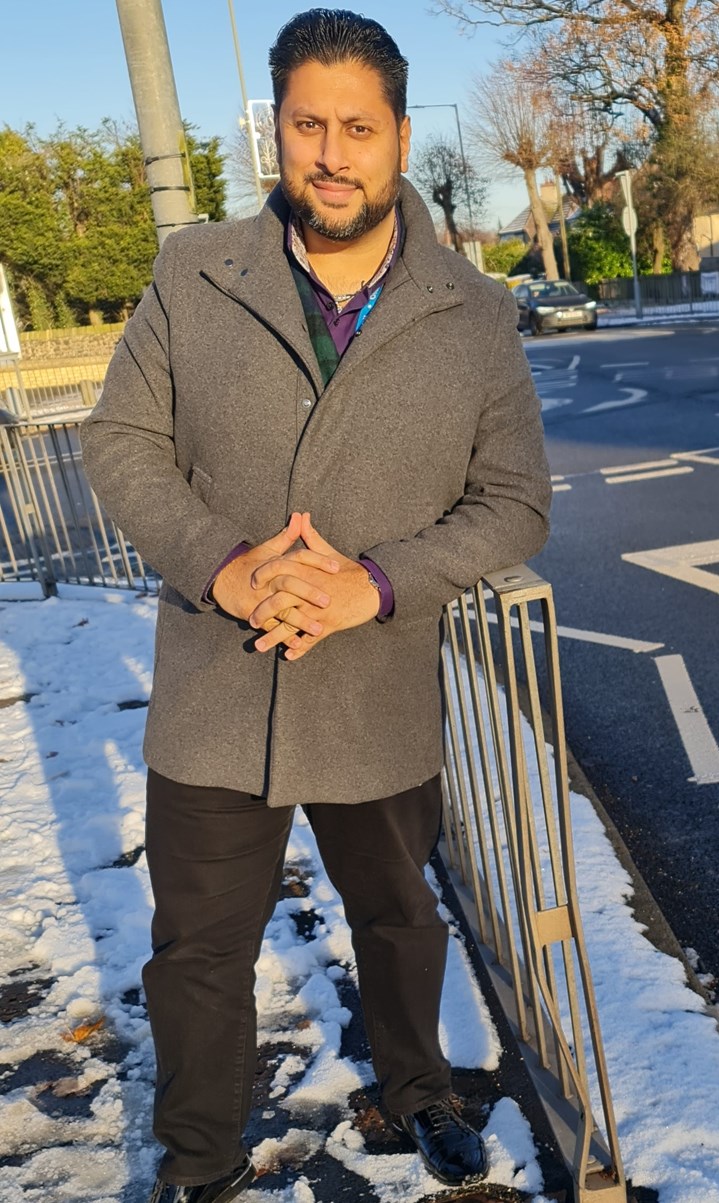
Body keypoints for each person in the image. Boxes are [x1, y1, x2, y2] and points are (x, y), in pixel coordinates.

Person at [80, 9, 550, 1201]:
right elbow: (120, 442)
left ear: (399, 137)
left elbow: (513, 506)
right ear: (274, 134)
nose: (330, 154)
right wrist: (224, 564)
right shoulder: (195, 273)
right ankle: (196, 1164)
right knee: (195, 953)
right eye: (306, 125)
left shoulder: (474, 315)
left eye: (357, 127)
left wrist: (378, 585)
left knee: (398, 921)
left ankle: (419, 1088)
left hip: (376, 682)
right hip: (215, 688)